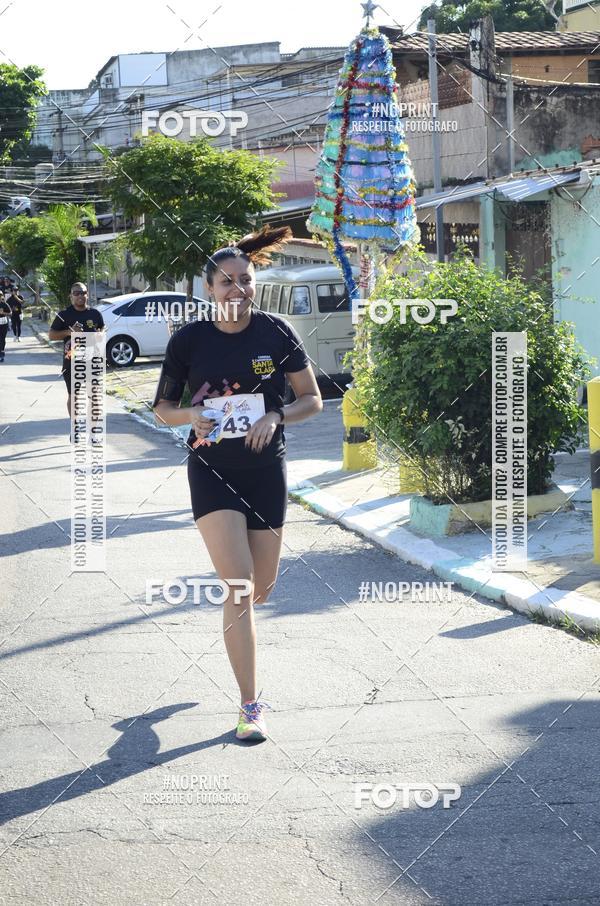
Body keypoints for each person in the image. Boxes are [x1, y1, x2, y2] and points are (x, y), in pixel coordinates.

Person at [153, 226, 322, 742]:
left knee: (261, 587)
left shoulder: (276, 332)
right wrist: (192, 417)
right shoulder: (188, 340)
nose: (238, 289)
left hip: (266, 472)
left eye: (245, 281)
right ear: (209, 289)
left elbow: (311, 398)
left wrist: (276, 416)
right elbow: (162, 409)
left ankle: (243, 643)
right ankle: (251, 705)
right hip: (211, 472)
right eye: (227, 282)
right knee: (240, 586)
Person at [48, 282, 104, 418]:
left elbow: (101, 329)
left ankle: (93, 432)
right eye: (76, 293)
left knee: (95, 397)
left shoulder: (95, 313)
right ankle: (75, 426)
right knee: (74, 396)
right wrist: (69, 332)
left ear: (87, 295)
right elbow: (51, 335)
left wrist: (100, 335)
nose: (80, 296)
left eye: (83, 293)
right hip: (72, 362)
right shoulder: (64, 315)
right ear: (71, 296)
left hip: (92, 360)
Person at [0, 292, 12, 362]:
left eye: (0, 295)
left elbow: (10, 313)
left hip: (3, 323)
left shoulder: (4, 304)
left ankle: (2, 353)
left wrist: (3, 313)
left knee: (2, 338)